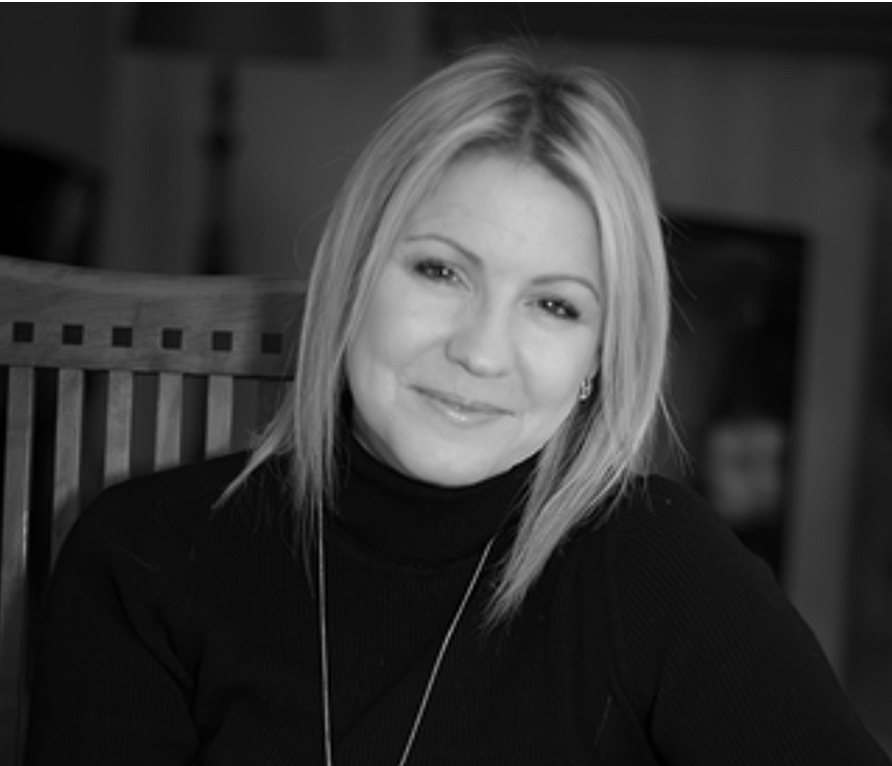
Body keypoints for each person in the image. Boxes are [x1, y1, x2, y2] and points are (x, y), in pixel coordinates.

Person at [26, 46, 890, 766]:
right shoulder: (145, 561)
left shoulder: (665, 568)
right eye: (440, 271)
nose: (480, 351)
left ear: (600, 356)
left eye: (555, 306)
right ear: (354, 278)